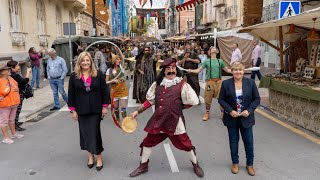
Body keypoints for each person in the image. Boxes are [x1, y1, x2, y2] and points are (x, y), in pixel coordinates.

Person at [129, 58, 204, 178]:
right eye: (168, 69)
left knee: (186, 144)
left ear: (176, 70)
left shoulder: (182, 85)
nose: (171, 71)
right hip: (159, 120)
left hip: (175, 122)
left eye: (173, 68)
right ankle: (143, 166)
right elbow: (150, 101)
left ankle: (196, 164)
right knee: (147, 143)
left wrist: (178, 108)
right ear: (163, 71)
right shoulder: (157, 85)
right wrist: (137, 112)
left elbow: (192, 102)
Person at [68, 51, 110, 171]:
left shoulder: (99, 74)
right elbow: (71, 94)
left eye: (88, 60)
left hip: (96, 110)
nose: (85, 63)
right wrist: (73, 110)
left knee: (95, 133)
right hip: (81, 110)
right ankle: (90, 156)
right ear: (79, 62)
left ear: (91, 62)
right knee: (85, 134)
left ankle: (99, 157)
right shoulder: (73, 76)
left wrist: (105, 107)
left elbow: (104, 91)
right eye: (83, 60)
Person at [218, 62, 260, 176]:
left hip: (247, 118)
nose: (238, 72)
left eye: (240, 70)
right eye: (235, 70)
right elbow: (221, 99)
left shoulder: (250, 83)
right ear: (232, 71)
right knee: (233, 142)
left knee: (249, 142)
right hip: (232, 118)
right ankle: (235, 163)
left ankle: (249, 165)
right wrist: (230, 111)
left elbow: (257, 99)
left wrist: (249, 110)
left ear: (243, 70)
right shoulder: (226, 83)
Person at [188, 47, 231, 121]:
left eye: (215, 48)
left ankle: (223, 113)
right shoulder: (207, 61)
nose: (213, 49)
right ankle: (207, 113)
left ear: (217, 51)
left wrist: (237, 70)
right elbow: (199, 70)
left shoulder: (220, 61)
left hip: (219, 82)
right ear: (209, 52)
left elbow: (227, 70)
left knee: (222, 98)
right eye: (211, 48)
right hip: (210, 82)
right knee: (207, 98)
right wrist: (191, 70)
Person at [0, 63, 24, 144]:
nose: (9, 70)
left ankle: (14, 134)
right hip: (5, 105)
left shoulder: (10, 78)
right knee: (4, 121)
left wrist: (16, 89)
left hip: (14, 103)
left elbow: (16, 86)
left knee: (11, 120)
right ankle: (6, 138)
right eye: (7, 69)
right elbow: (4, 91)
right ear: (2, 72)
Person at [7, 60, 31, 131]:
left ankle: (15, 122)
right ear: (12, 67)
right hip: (18, 94)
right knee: (17, 110)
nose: (19, 67)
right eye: (17, 66)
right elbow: (24, 81)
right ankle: (15, 125)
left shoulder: (10, 74)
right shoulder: (15, 75)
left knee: (15, 110)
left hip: (14, 94)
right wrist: (28, 73)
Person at [106, 54, 128, 122]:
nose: (119, 60)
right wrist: (113, 80)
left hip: (122, 90)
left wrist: (120, 53)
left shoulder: (121, 68)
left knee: (123, 106)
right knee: (116, 107)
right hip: (114, 91)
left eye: (119, 59)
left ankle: (125, 120)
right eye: (117, 59)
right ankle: (118, 118)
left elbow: (123, 59)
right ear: (113, 61)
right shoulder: (109, 70)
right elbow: (106, 82)